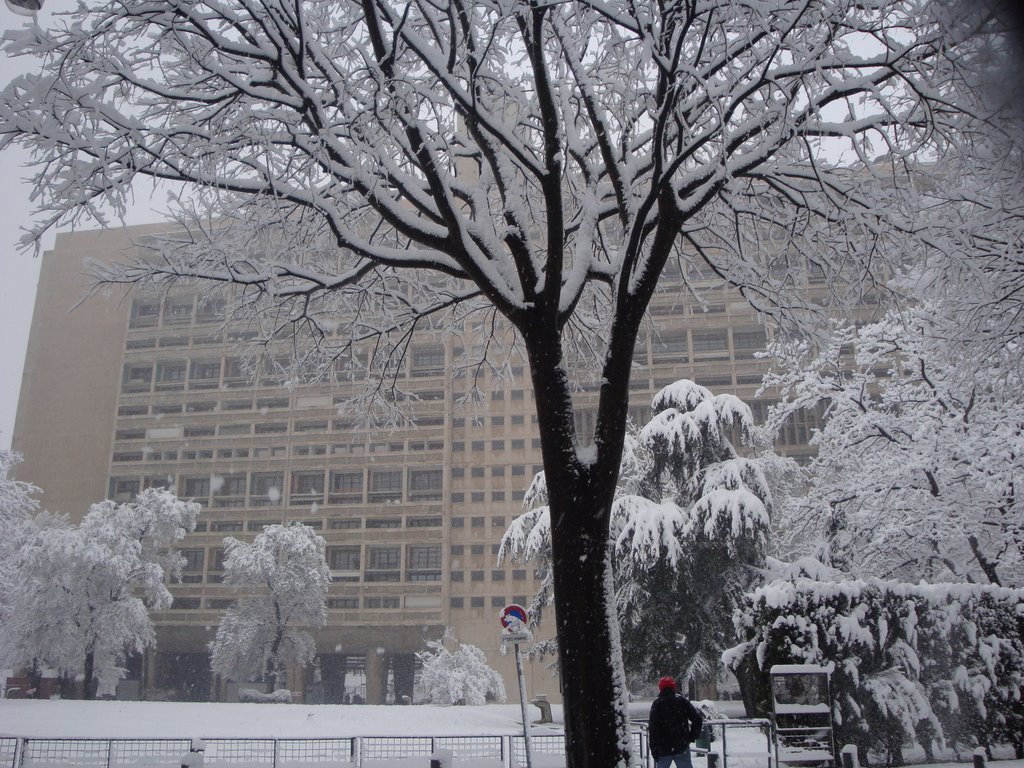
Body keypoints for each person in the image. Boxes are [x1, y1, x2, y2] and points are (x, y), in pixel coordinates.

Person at [648, 676, 704, 768]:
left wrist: (654, 748)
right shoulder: (681, 701)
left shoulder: (657, 704)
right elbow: (697, 718)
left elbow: (653, 729)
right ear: (673, 687)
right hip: (681, 745)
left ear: (660, 688)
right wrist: (691, 736)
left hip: (663, 748)